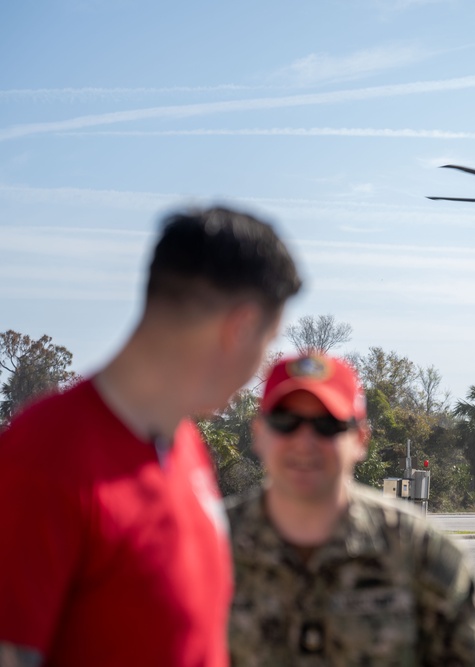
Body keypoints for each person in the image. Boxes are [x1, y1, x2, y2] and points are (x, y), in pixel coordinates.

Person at [0, 206, 301, 667]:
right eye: (268, 343)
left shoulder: (184, 446)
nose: (260, 369)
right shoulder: (44, 455)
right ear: (239, 328)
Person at [227, 352, 475, 666]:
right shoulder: (203, 547)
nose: (304, 441)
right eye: (285, 422)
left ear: (360, 439)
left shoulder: (420, 553)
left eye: (327, 425)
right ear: (258, 434)